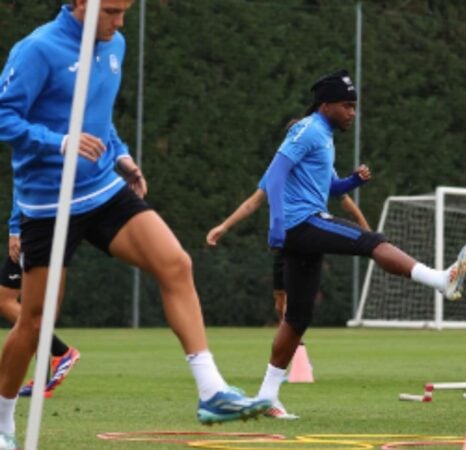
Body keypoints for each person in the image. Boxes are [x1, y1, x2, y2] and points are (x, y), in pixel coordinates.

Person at [0, 2, 270, 447]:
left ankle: (212, 392)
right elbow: (5, 117)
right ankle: (4, 423)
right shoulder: (37, 49)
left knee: (175, 263)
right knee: (34, 322)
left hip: (104, 189)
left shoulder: (115, 45)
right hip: (49, 204)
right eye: (111, 11)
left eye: (124, 10)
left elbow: (99, 118)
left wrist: (121, 155)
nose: (120, 22)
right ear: (80, 4)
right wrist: (60, 142)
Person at [254, 69, 466, 419]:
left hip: (302, 227)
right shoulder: (308, 129)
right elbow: (275, 175)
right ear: (325, 105)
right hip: (302, 224)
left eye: (354, 106)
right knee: (371, 240)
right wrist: (277, 225)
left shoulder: (324, 136)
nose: (352, 113)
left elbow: (329, 188)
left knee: (297, 318)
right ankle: (439, 280)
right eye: (346, 105)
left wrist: (352, 181)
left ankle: (266, 397)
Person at [207, 187, 371, 322]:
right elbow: (252, 203)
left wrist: (369, 235)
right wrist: (224, 226)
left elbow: (345, 200)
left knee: (298, 301)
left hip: (309, 238)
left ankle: (297, 344)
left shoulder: (318, 169)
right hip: (285, 243)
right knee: (280, 303)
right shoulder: (276, 172)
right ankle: (289, 341)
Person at [0, 195, 81, 398]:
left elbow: (25, 189)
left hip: (35, 227)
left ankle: (61, 352)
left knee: (5, 300)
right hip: (44, 224)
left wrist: (15, 230)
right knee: (24, 304)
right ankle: (43, 377)